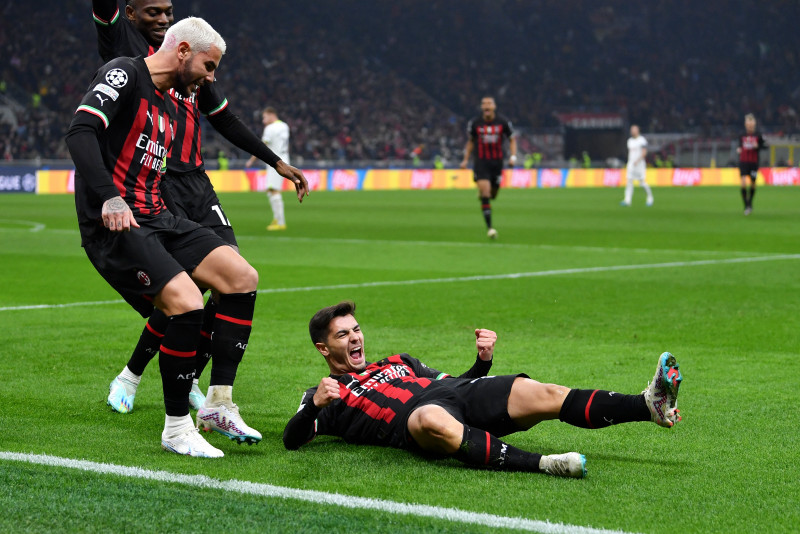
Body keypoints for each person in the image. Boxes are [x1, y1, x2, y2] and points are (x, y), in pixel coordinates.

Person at [92, 0, 309, 415]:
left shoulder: (194, 58)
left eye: (168, 12)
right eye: (152, 11)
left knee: (233, 278)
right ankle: (132, 374)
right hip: (158, 185)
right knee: (185, 291)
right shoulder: (127, 51)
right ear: (131, 14)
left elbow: (224, 119)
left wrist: (276, 162)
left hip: (198, 185)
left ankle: (193, 379)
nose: (162, 18)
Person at [66, 17, 265, 458]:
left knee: (241, 276)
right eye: (209, 67)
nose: (211, 78)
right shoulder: (124, 73)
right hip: (115, 222)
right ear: (182, 52)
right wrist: (110, 199)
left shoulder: (171, 100)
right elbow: (80, 131)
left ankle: (217, 403)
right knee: (187, 302)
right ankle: (176, 428)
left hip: (159, 216)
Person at [283, 302, 683, 478]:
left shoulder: (398, 361)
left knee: (541, 391)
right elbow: (291, 439)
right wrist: (313, 406)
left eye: (356, 329)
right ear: (324, 348)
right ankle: (544, 463)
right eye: (343, 335)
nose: (355, 338)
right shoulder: (327, 395)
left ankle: (648, 405)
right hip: (416, 423)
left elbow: (454, 382)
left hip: (454, 395)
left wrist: (483, 362)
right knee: (429, 418)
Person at [460, 97, 517, 240]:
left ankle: (483, 194)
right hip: (481, 162)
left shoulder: (503, 122)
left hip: (497, 163)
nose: (486, 106)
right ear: (481, 107)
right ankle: (490, 228)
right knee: (485, 193)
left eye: (489, 103)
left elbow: (512, 140)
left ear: (494, 106)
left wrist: (513, 156)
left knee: (493, 195)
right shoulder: (475, 123)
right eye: (484, 104)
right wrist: (465, 159)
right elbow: (471, 142)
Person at [246, 107, 291, 231]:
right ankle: (278, 219)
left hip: (276, 162)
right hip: (285, 160)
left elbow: (262, 147)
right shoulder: (284, 126)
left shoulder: (270, 129)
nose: (263, 121)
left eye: (264, 117)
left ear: (272, 115)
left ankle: (280, 222)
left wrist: (251, 161)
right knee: (271, 190)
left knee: (273, 190)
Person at [737, 114, 767, 216]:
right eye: (748, 123)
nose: (749, 125)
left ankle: (750, 202)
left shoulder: (758, 135)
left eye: (751, 123)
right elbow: (739, 145)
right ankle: (746, 205)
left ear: (754, 124)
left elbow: (765, 146)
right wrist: (739, 149)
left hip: (754, 163)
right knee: (743, 182)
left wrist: (757, 146)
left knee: (753, 183)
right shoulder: (741, 135)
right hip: (743, 162)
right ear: (745, 124)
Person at [621, 124, 653, 207]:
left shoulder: (642, 140)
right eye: (631, 129)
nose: (632, 131)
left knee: (642, 183)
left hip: (639, 164)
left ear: (638, 130)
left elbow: (644, 152)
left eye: (634, 129)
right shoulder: (630, 141)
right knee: (629, 182)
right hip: (631, 164)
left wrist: (638, 161)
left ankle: (650, 197)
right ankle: (627, 200)